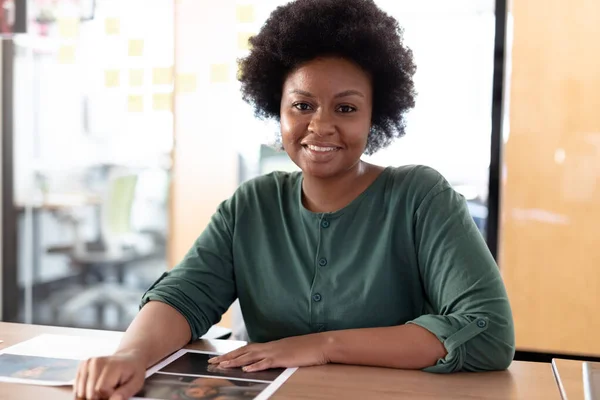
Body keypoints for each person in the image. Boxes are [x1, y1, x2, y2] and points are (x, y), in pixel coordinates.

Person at [74, 0, 515, 398]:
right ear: (277, 110)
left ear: (374, 115)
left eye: (345, 108)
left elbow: (487, 332)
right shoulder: (251, 204)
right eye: (302, 105)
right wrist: (131, 354)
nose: (320, 127)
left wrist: (322, 347)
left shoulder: (421, 197)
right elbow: (184, 296)